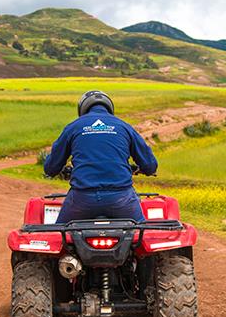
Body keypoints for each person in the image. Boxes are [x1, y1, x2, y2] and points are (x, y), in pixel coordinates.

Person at [44, 90, 157, 223]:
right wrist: (144, 169)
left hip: (82, 200)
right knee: (141, 233)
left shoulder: (73, 127)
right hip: (121, 199)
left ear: (83, 108)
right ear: (109, 107)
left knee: (58, 234)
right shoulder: (124, 126)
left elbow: (51, 168)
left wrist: (54, 169)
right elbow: (150, 165)